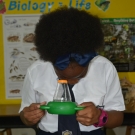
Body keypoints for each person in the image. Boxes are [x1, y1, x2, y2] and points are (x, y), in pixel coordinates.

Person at [19, 6, 125, 135]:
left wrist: (100, 116)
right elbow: (24, 115)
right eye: (62, 76)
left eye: (80, 75)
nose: (72, 82)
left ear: (88, 62)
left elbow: (118, 117)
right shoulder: (36, 70)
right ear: (51, 61)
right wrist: (28, 117)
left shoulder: (105, 68)